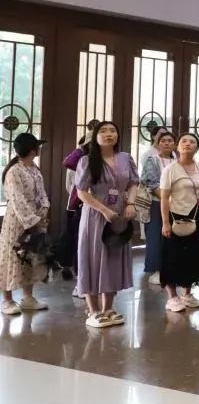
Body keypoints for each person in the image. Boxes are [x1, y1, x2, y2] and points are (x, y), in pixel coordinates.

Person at [74, 121, 138, 328]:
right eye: (103, 131)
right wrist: (104, 210)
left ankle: (108, 308)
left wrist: (130, 203)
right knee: (92, 260)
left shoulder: (126, 158)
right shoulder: (86, 161)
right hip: (95, 216)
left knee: (113, 258)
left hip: (119, 214)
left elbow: (133, 183)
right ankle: (93, 310)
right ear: (95, 137)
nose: (109, 134)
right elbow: (81, 193)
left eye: (112, 130)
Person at [0, 133, 50, 315]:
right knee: (12, 257)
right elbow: (17, 200)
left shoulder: (34, 169)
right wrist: (33, 221)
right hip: (17, 222)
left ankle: (28, 298)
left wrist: (44, 209)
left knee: (30, 257)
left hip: (36, 219)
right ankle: (7, 300)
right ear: (31, 150)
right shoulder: (14, 171)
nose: (39, 149)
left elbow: (42, 193)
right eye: (37, 146)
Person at [158, 133, 199, 313]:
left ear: (197, 147)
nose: (188, 144)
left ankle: (187, 293)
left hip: (195, 215)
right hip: (175, 215)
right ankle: (172, 296)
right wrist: (165, 222)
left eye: (192, 141)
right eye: (184, 141)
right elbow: (164, 198)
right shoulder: (170, 169)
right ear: (177, 147)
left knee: (193, 255)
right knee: (172, 255)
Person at [139, 130, 175, 286]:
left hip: (176, 203)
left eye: (170, 140)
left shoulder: (177, 160)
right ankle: (155, 270)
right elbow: (152, 182)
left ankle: (171, 268)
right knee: (155, 236)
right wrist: (167, 199)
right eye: (163, 141)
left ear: (174, 144)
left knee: (173, 236)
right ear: (158, 143)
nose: (166, 143)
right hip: (156, 203)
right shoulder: (152, 159)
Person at [58, 134, 90, 280]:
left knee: (76, 238)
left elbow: (68, 186)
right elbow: (69, 185)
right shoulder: (78, 161)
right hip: (76, 206)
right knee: (75, 238)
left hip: (79, 205)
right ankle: (74, 270)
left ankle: (75, 269)